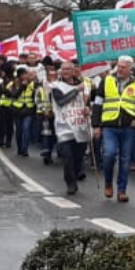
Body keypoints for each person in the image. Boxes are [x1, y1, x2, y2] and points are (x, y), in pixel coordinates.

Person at [93, 56, 135, 202]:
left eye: (123, 67)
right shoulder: (106, 81)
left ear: (130, 69)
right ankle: (108, 182)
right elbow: (98, 104)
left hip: (128, 128)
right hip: (109, 126)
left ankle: (121, 190)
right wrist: (96, 125)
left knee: (125, 160)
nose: (120, 69)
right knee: (109, 155)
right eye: (119, 66)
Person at [49, 61, 93, 195]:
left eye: (69, 69)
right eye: (64, 69)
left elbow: (86, 103)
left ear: (74, 70)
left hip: (79, 126)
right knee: (67, 157)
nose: (66, 71)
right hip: (64, 128)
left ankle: (77, 172)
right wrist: (76, 90)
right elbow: (61, 101)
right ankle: (70, 183)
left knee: (78, 156)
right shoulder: (56, 86)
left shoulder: (83, 84)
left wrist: (87, 109)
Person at [9, 67, 39, 157]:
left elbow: (38, 93)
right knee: (19, 130)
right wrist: (22, 86)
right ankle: (19, 148)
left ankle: (25, 149)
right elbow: (14, 95)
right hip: (17, 110)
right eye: (23, 74)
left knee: (26, 129)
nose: (25, 76)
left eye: (27, 74)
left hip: (28, 110)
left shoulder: (33, 84)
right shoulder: (14, 84)